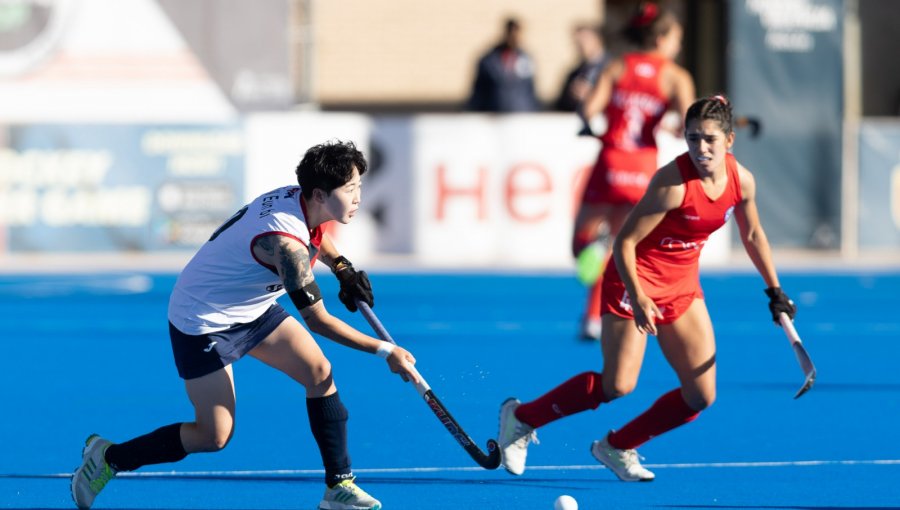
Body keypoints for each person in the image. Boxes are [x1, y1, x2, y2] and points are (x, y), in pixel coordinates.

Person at [70, 140, 418, 510]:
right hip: (203, 320)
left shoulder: (301, 201)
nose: (358, 196)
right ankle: (108, 458)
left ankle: (339, 487)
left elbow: (317, 234)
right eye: (350, 189)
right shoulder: (285, 244)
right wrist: (386, 350)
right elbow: (319, 321)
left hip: (251, 309)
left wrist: (342, 267)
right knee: (213, 435)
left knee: (319, 372)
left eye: (359, 186)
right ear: (319, 193)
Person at [497, 94, 798, 481]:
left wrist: (774, 291)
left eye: (709, 139)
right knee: (618, 384)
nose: (700, 148)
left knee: (700, 395)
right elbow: (624, 242)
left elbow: (753, 233)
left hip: (682, 287)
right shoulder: (672, 183)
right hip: (632, 279)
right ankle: (521, 418)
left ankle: (617, 446)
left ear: (729, 141)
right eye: (692, 138)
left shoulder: (742, 181)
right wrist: (638, 297)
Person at [572, 2, 696, 340]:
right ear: (661, 39)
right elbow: (691, 124)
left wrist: (588, 117)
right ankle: (597, 318)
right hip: (642, 169)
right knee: (624, 246)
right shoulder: (675, 76)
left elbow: (589, 109)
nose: (678, 46)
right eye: (676, 39)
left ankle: (591, 297)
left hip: (610, 162)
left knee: (581, 245)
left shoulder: (616, 67)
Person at [466, 17, 541, 113]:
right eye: (511, 33)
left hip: (521, 117)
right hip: (494, 118)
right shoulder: (489, 61)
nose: (514, 37)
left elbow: (531, 92)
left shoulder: (526, 60)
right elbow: (479, 93)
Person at [554, 24, 607, 112]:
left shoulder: (612, 68)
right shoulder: (575, 73)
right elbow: (561, 105)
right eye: (577, 42)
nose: (581, 45)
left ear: (598, 39)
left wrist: (593, 95)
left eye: (585, 40)